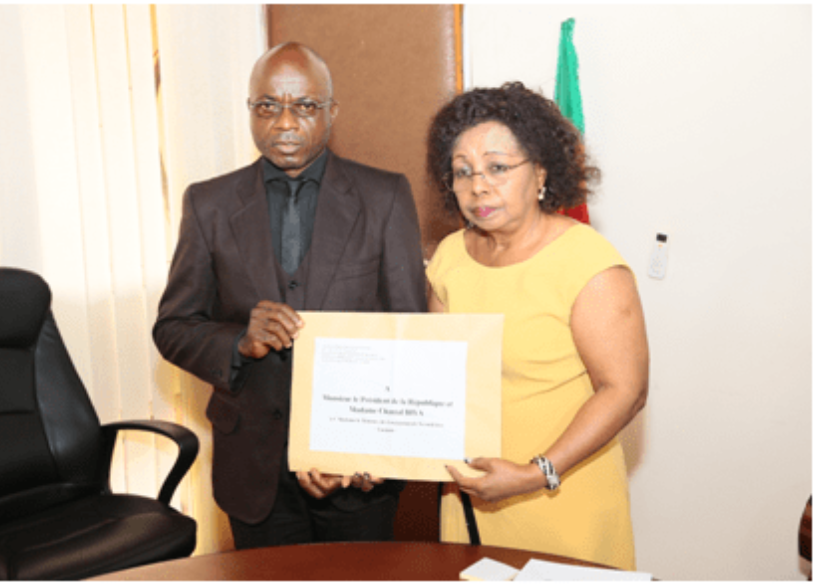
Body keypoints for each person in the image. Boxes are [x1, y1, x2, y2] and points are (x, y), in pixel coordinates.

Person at [153, 42, 426, 549]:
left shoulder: (385, 196)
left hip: (355, 473)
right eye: (267, 106)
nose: (284, 122)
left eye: (304, 106)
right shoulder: (209, 203)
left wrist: (367, 453)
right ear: (250, 110)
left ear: (331, 112)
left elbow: (410, 333)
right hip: (253, 470)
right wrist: (238, 342)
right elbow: (173, 327)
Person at [425, 82, 648, 571]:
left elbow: (624, 391)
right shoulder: (449, 257)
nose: (478, 186)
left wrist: (535, 472)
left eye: (498, 168)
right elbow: (436, 378)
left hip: (561, 497)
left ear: (541, 171)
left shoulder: (587, 263)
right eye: (463, 171)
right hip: (470, 499)